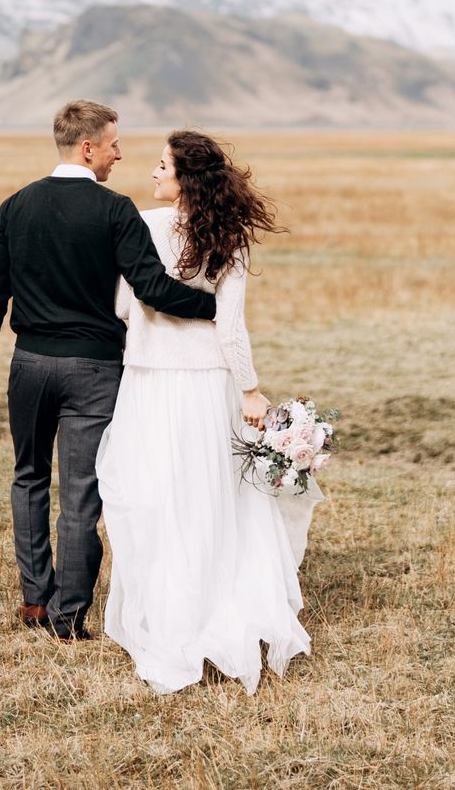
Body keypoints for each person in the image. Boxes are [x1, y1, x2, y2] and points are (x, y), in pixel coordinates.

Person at [0, 100, 218, 641]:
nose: (119, 153)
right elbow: (152, 289)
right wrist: (215, 307)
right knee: (82, 493)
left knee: (28, 477)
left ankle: (36, 599)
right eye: (112, 143)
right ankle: (67, 617)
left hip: (29, 365)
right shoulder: (114, 210)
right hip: (95, 371)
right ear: (87, 147)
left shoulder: (15, 206)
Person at [96, 130, 316, 693]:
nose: (150, 172)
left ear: (184, 177)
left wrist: (150, 330)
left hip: (149, 380)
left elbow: (125, 303)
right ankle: (218, 602)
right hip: (206, 383)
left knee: (157, 495)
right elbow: (231, 324)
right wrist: (249, 389)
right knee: (213, 498)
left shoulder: (142, 225)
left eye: (161, 165)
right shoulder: (230, 239)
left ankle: (171, 612)